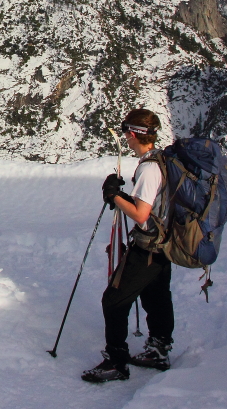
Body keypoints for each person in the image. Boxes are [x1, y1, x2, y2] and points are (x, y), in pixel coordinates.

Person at [81, 108, 174, 383]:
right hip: (165, 245)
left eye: (126, 133)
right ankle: (158, 350)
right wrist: (121, 195)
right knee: (156, 297)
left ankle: (116, 361)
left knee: (114, 300)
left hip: (147, 247)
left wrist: (113, 195)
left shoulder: (148, 168)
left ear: (133, 134)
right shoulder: (165, 160)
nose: (125, 138)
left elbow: (141, 214)